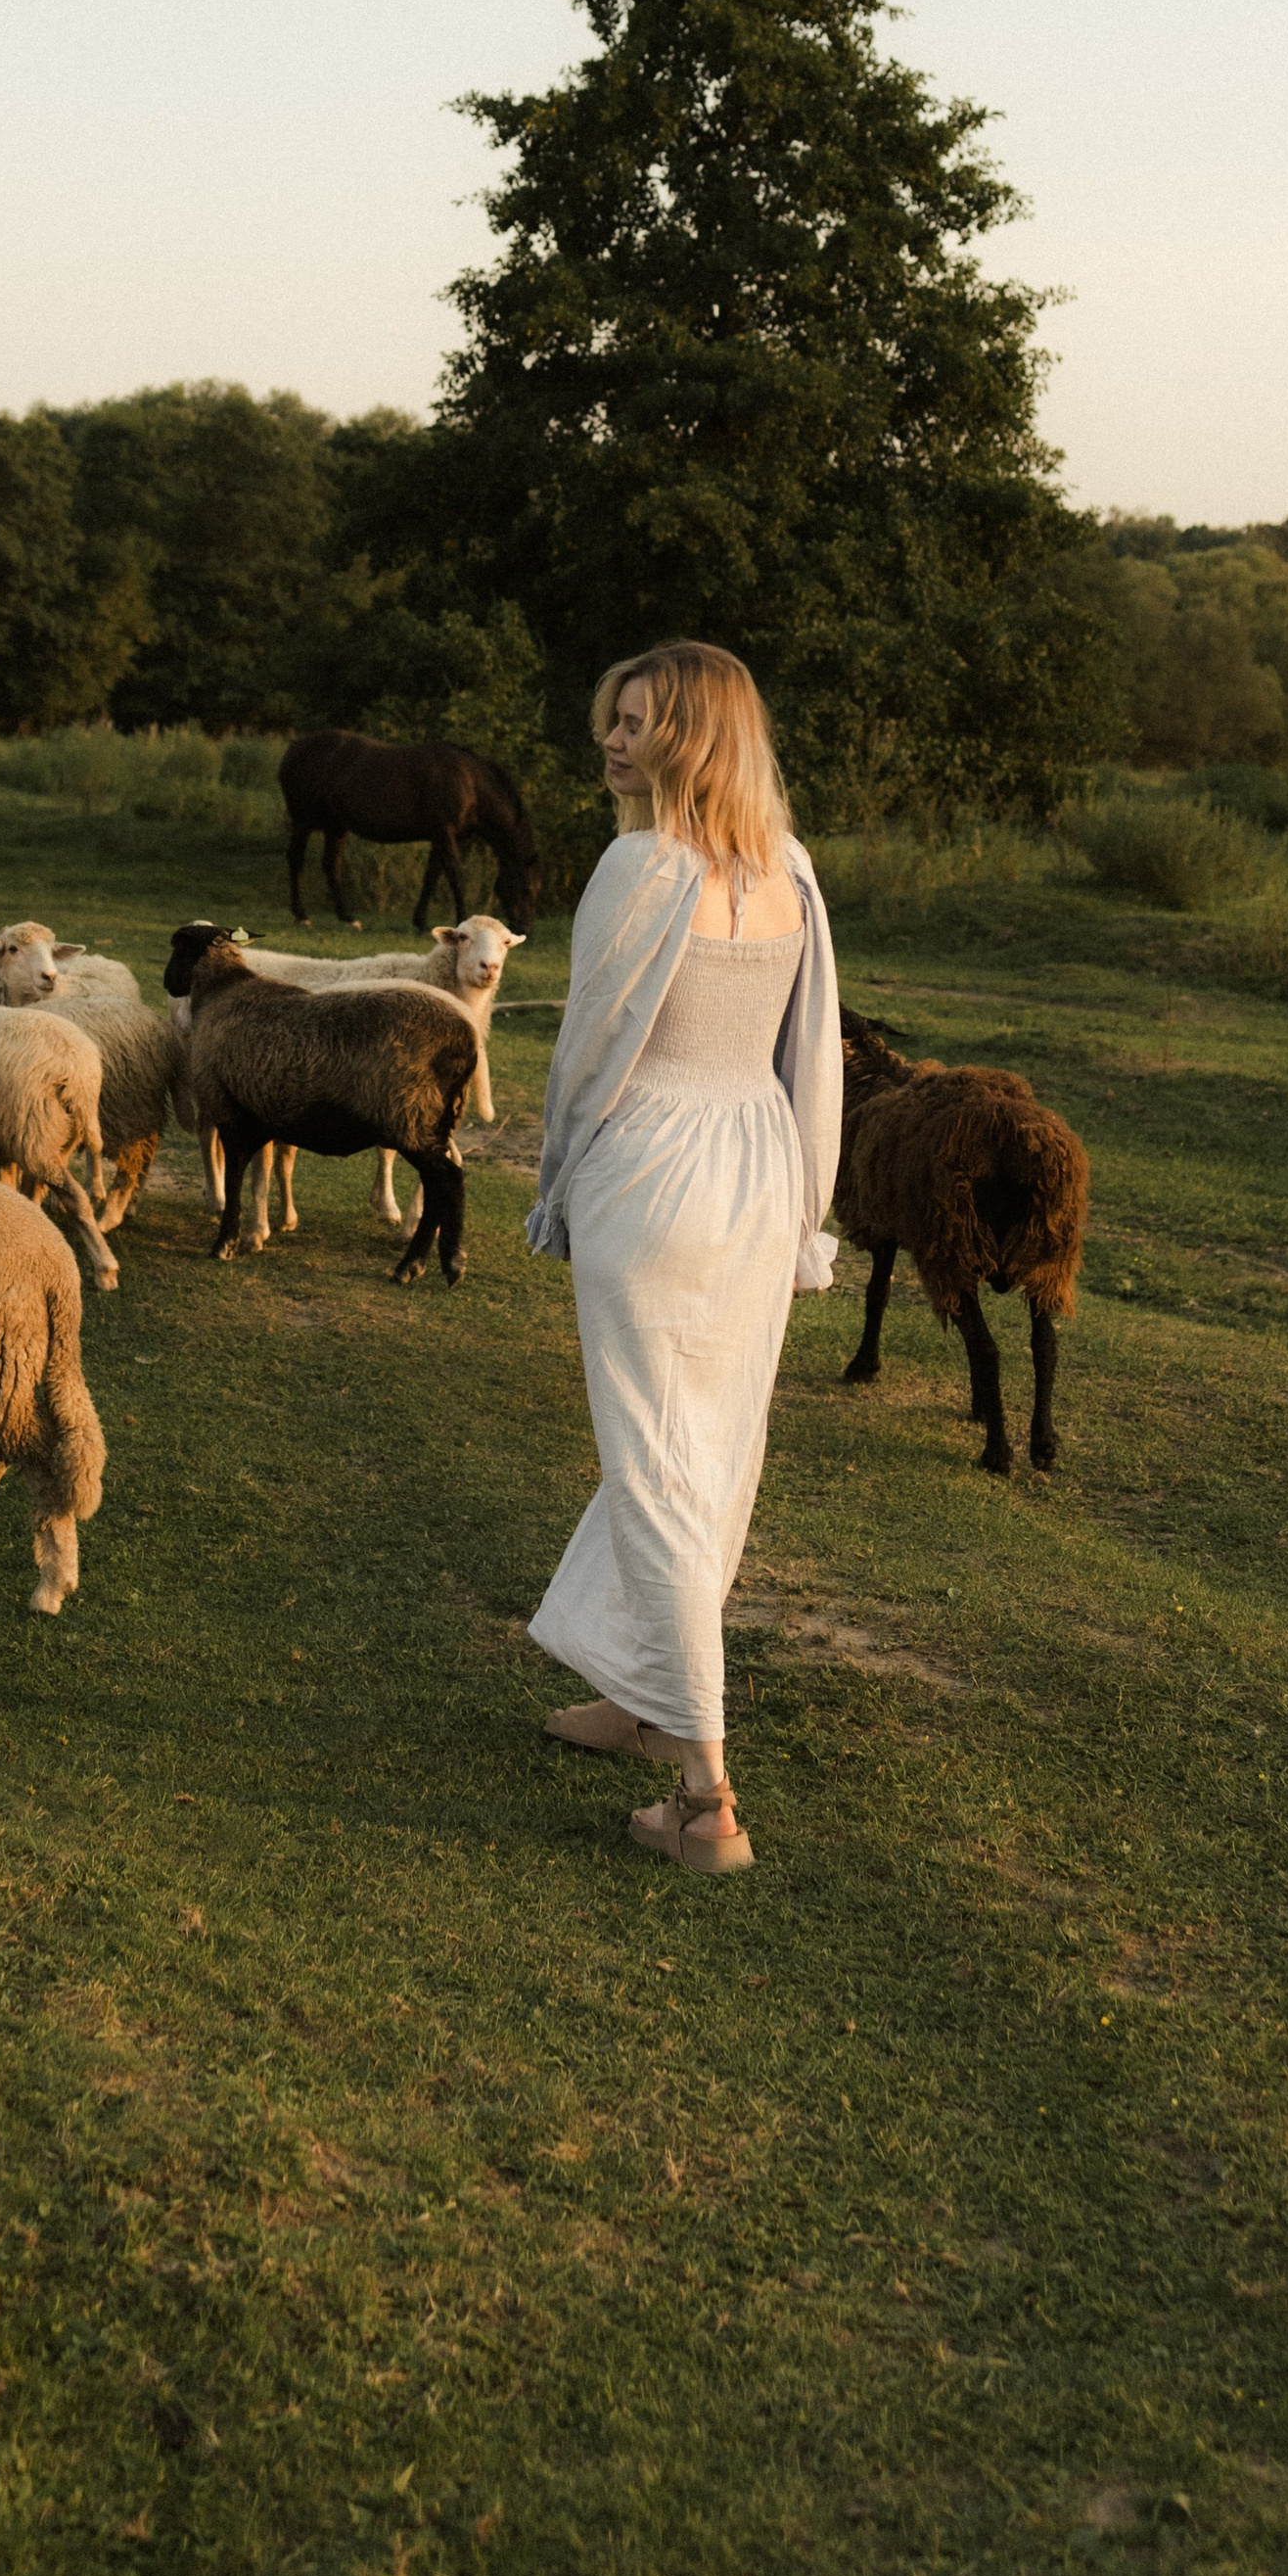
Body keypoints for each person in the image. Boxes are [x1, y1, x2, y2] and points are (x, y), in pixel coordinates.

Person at [525, 640, 841, 1873]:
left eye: (641, 722)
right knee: (702, 1447)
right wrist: (805, 1208)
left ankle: (708, 1798)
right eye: (610, 717)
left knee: (656, 1458)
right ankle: (642, 1695)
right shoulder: (788, 869)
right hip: (756, 1167)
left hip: (655, 1166)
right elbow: (810, 1061)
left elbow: (588, 1052)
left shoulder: (638, 865)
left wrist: (557, 1189)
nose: (612, 741)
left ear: (697, 737)